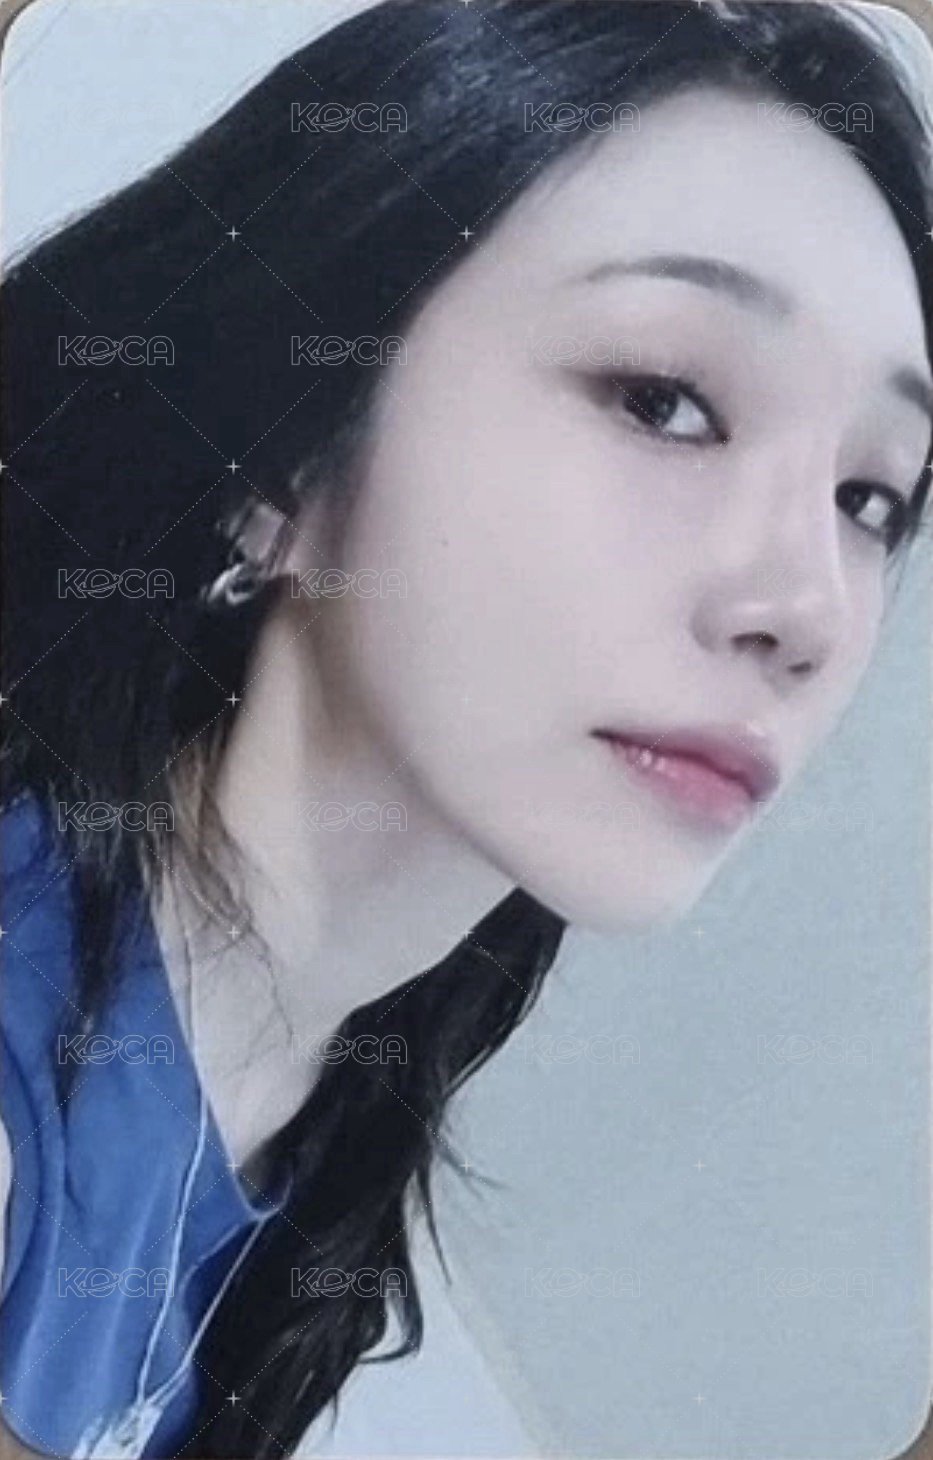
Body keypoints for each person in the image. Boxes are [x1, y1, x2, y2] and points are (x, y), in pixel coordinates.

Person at [1, 0, 932, 1455]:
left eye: (870, 496)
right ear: (289, 462)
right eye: (665, 401)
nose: (805, 609)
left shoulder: (321, 1124)